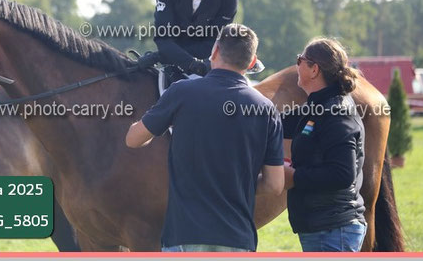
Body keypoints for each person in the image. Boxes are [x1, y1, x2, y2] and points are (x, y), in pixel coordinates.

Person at [126, 24, 284, 252]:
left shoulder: (181, 92)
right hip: (238, 239)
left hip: (184, 235)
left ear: (215, 51)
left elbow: (133, 139)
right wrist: (241, 185)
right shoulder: (266, 109)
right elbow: (275, 184)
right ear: (252, 62)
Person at [283, 38, 367, 252]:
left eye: (300, 60)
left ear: (314, 70)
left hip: (333, 230)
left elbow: (342, 174)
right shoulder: (318, 106)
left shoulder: (336, 112)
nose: (296, 65)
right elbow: (277, 122)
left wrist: (294, 176)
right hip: (325, 227)